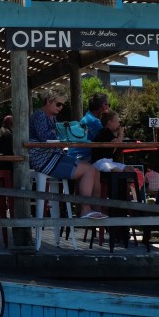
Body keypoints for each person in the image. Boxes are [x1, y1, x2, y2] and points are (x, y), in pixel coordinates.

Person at [28, 87, 107, 220]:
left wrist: (63, 135)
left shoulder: (51, 117)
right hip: (44, 159)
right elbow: (45, 138)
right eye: (58, 104)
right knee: (88, 170)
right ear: (48, 101)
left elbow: (56, 137)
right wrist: (64, 135)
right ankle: (85, 209)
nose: (61, 107)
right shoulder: (40, 116)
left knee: (93, 169)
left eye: (62, 105)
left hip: (53, 156)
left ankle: (93, 208)